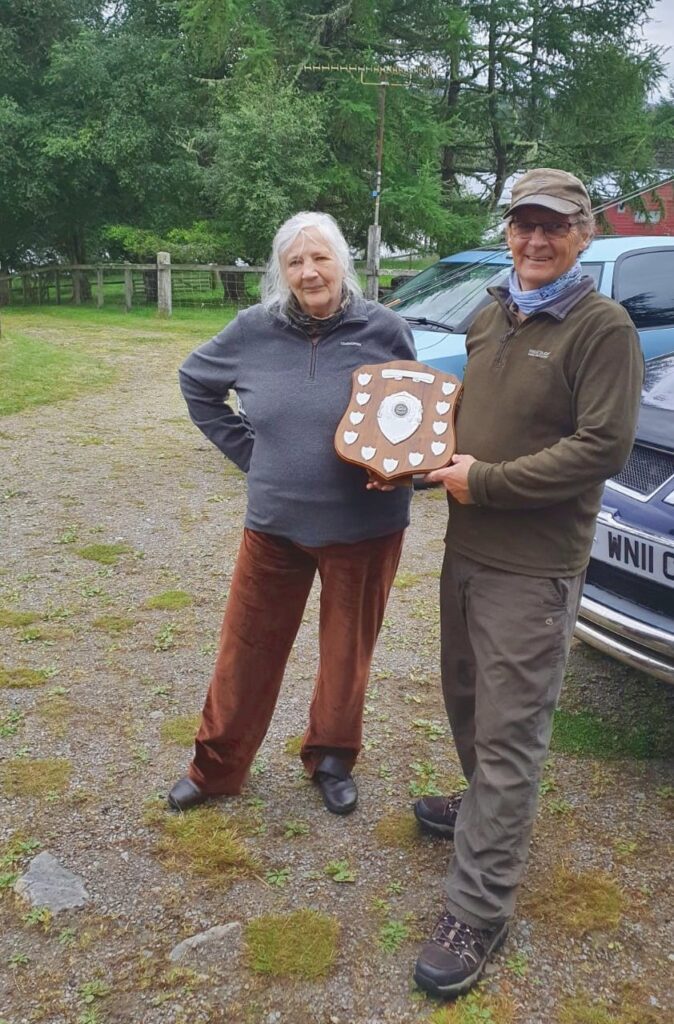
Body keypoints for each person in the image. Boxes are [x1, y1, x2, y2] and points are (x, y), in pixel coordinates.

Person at [411, 169, 643, 998]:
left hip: (534, 566)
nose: (536, 241)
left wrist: (490, 481)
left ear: (583, 234)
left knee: (510, 735)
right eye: (524, 226)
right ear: (507, 231)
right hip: (468, 549)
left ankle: (479, 910)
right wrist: (410, 465)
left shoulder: (601, 327)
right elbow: (459, 419)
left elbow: (603, 448)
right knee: (467, 702)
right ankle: (484, 817)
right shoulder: (491, 310)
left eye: (555, 227)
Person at [167, 211, 416, 816]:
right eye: (295, 261)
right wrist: (251, 453)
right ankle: (217, 766)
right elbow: (196, 381)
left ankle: (331, 758)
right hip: (274, 525)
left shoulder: (384, 329)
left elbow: (414, 413)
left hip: (365, 527)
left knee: (346, 652)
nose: (309, 272)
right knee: (246, 648)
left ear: (343, 263)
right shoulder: (252, 330)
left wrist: (400, 470)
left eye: (320, 257)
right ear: (281, 272)